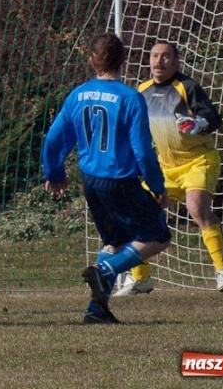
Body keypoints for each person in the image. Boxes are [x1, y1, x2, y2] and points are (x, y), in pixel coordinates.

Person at [42, 32, 171, 324]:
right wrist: (157, 186)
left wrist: (55, 172)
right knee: (158, 237)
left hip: (91, 181)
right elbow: (143, 152)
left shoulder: (77, 95)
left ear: (91, 61)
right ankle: (105, 272)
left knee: (114, 242)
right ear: (123, 61)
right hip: (120, 180)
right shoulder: (129, 98)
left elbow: (53, 139)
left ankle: (97, 309)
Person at [114, 40, 223, 295]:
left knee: (196, 206)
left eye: (166, 56)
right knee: (137, 213)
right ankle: (141, 279)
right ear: (149, 60)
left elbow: (215, 118)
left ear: (176, 61)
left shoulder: (187, 87)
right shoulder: (142, 91)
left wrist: (199, 123)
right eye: (155, 56)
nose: (159, 61)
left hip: (198, 160)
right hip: (165, 167)